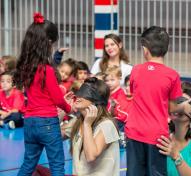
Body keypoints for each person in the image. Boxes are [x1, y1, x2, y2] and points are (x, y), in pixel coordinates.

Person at [125, 26, 191, 175]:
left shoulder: (136, 70)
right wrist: (183, 107)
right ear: (167, 48)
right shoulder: (172, 75)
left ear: (145, 49)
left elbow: (134, 94)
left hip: (134, 131)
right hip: (157, 135)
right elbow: (172, 106)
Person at [14, 13, 74, 176]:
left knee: (28, 164)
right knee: (57, 165)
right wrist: (69, 108)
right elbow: (56, 98)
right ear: (47, 43)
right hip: (47, 122)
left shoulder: (26, 67)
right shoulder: (46, 70)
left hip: (30, 122)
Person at [68, 77, 120, 176]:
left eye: (84, 92)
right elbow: (50, 136)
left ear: (96, 100)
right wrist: (63, 110)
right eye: (79, 91)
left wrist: (87, 125)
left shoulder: (107, 125)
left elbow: (91, 156)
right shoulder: (77, 122)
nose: (78, 96)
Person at [156, 90, 191, 176]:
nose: (178, 106)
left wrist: (176, 156)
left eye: (183, 102)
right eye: (176, 102)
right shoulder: (166, 137)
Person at [104, 66, 130, 131]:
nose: (109, 83)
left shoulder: (121, 94)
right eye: (107, 80)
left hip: (119, 124)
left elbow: (123, 114)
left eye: (112, 80)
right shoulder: (107, 94)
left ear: (120, 78)